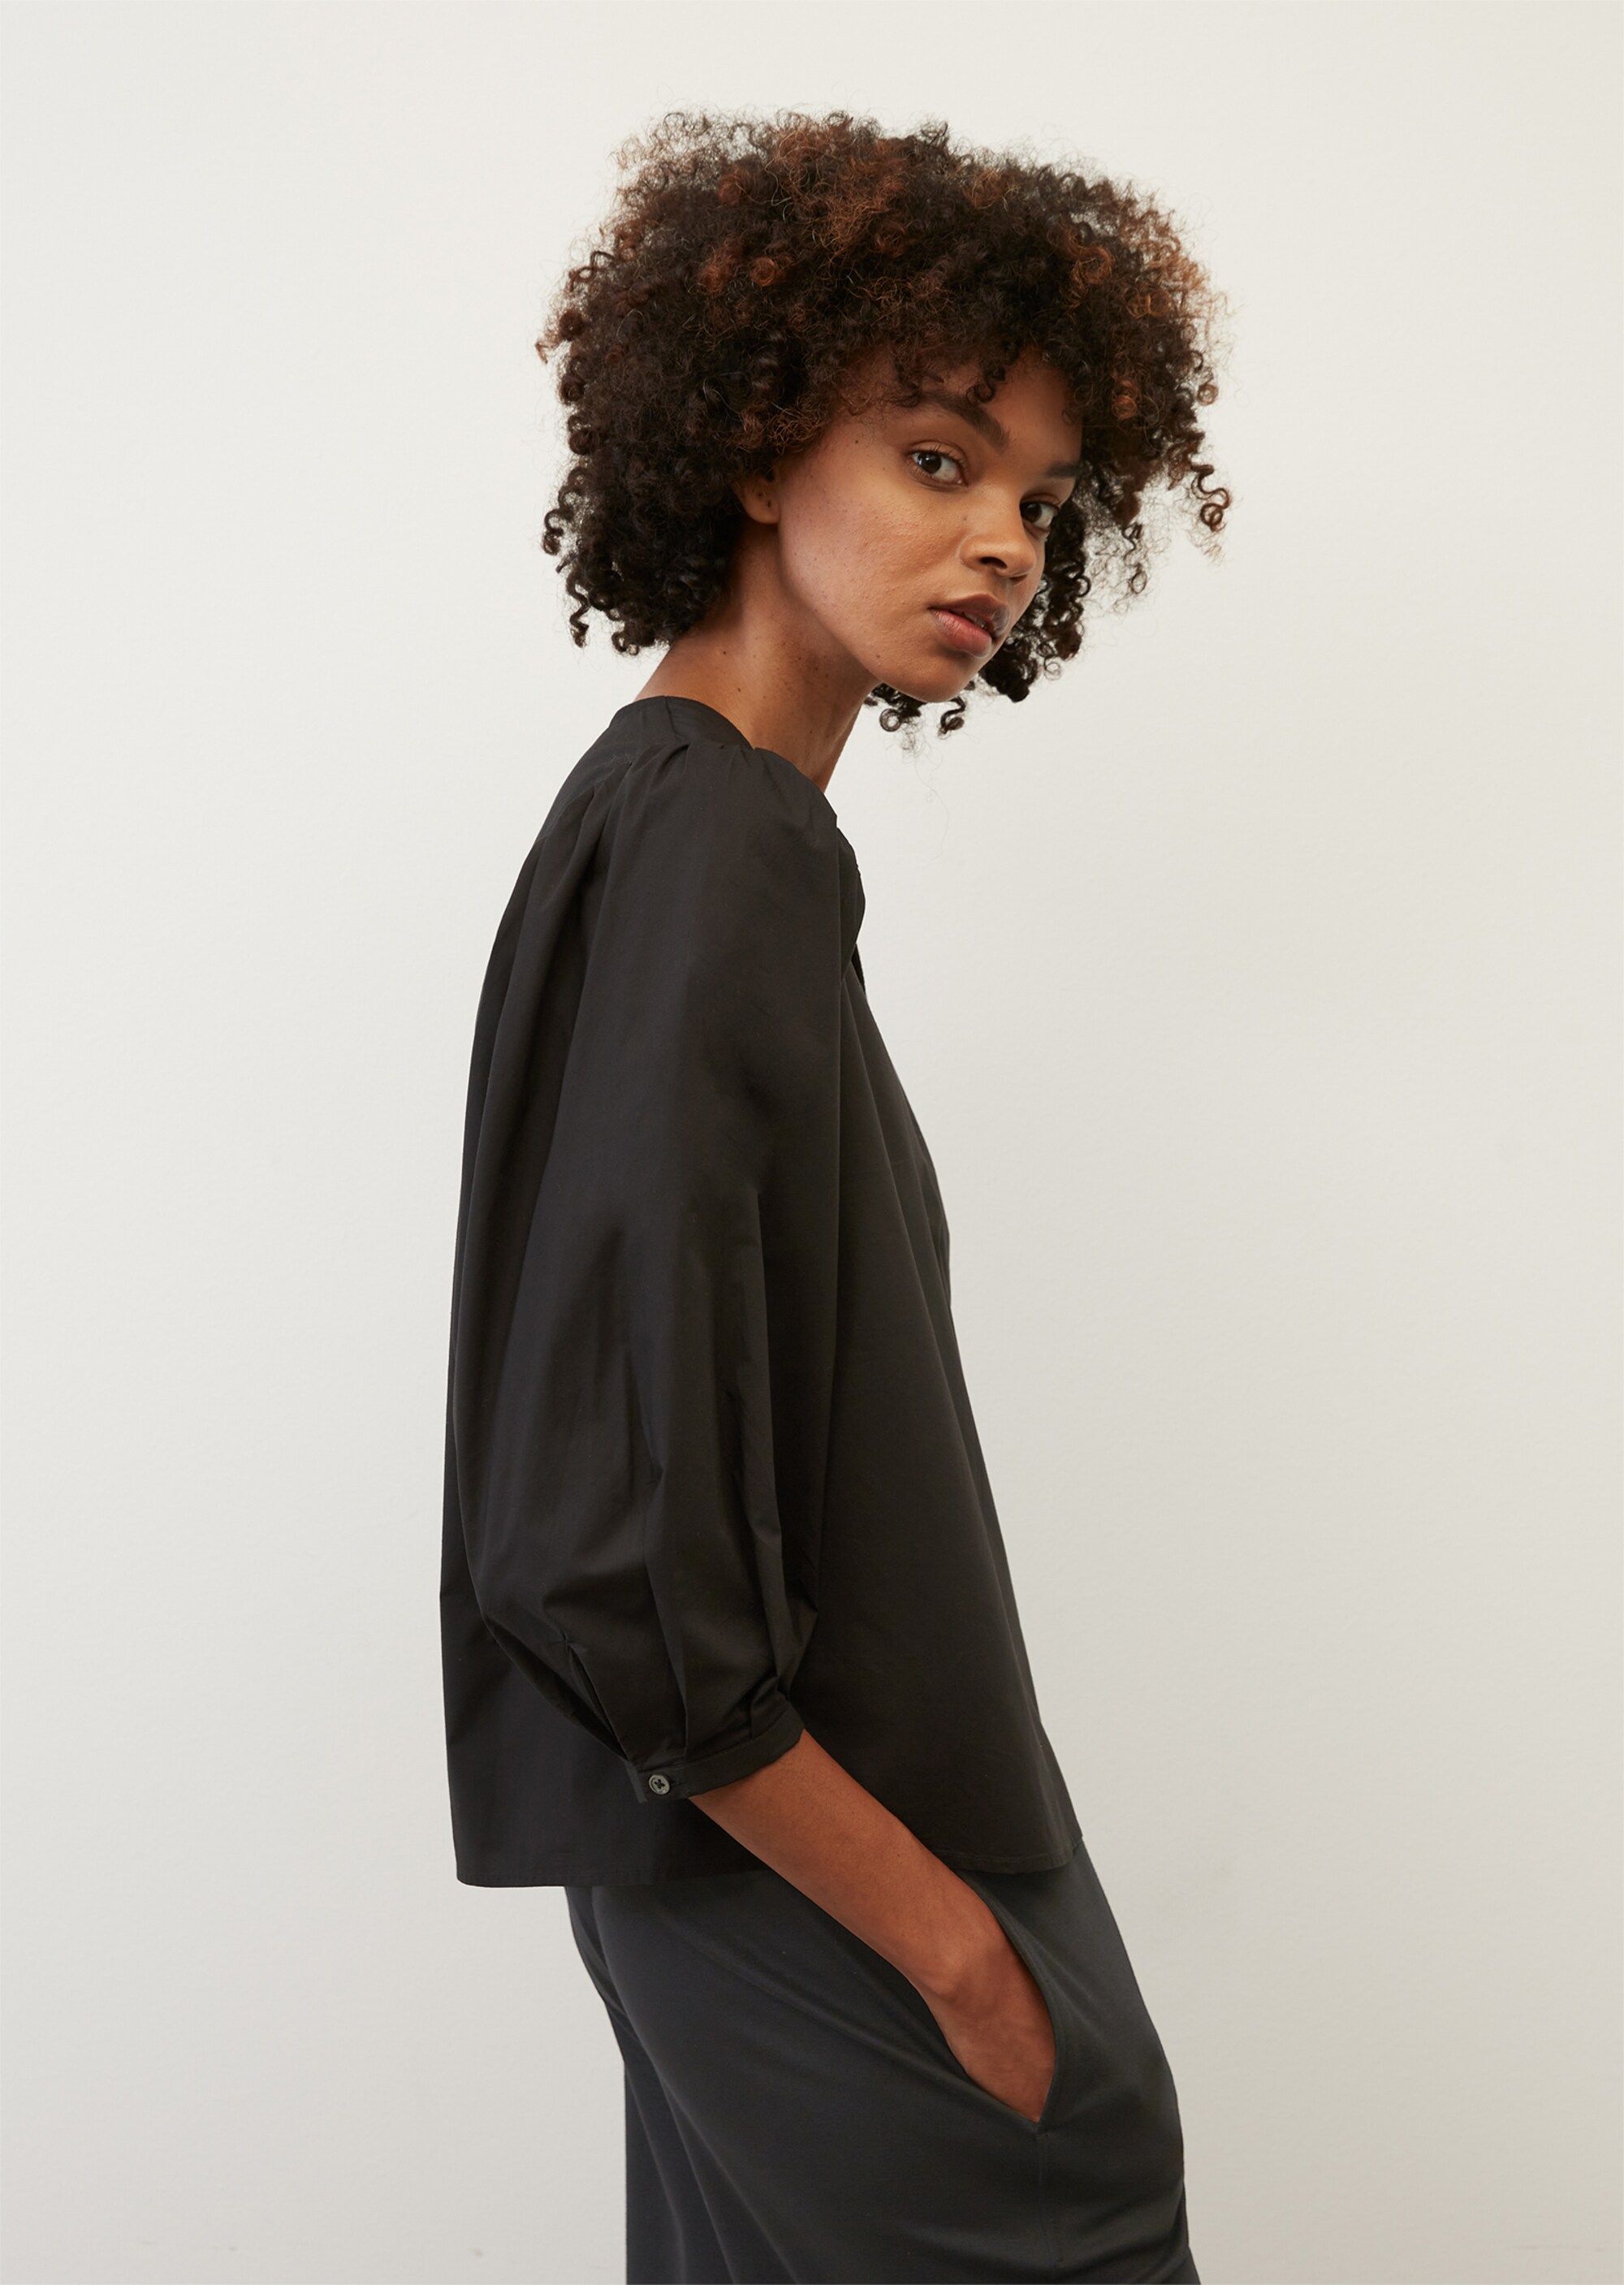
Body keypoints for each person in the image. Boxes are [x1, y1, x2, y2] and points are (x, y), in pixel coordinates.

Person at [441, 106, 1230, 2285]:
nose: (1002, 543)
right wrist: (959, 1954)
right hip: (843, 1878)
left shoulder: (661, 819)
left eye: (1040, 499)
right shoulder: (725, 847)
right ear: (755, 443)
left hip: (737, 1883)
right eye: (939, 458)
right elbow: (600, 1553)